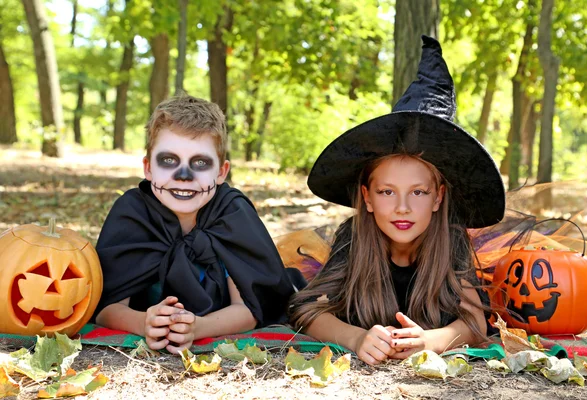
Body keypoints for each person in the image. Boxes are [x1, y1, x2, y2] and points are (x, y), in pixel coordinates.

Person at [289, 35, 506, 365]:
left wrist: (433, 340)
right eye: (387, 191)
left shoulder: (450, 240)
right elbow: (305, 310)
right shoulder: (356, 236)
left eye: (418, 192)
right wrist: (355, 336)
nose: (402, 207)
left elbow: (476, 322)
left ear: (438, 197)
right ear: (368, 197)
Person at [95, 95, 298, 354]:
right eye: (168, 161)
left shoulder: (233, 215)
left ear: (222, 172)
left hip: (209, 322)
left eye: (200, 163)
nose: (183, 176)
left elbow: (251, 308)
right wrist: (144, 323)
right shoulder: (132, 213)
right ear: (148, 168)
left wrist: (199, 328)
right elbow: (105, 309)